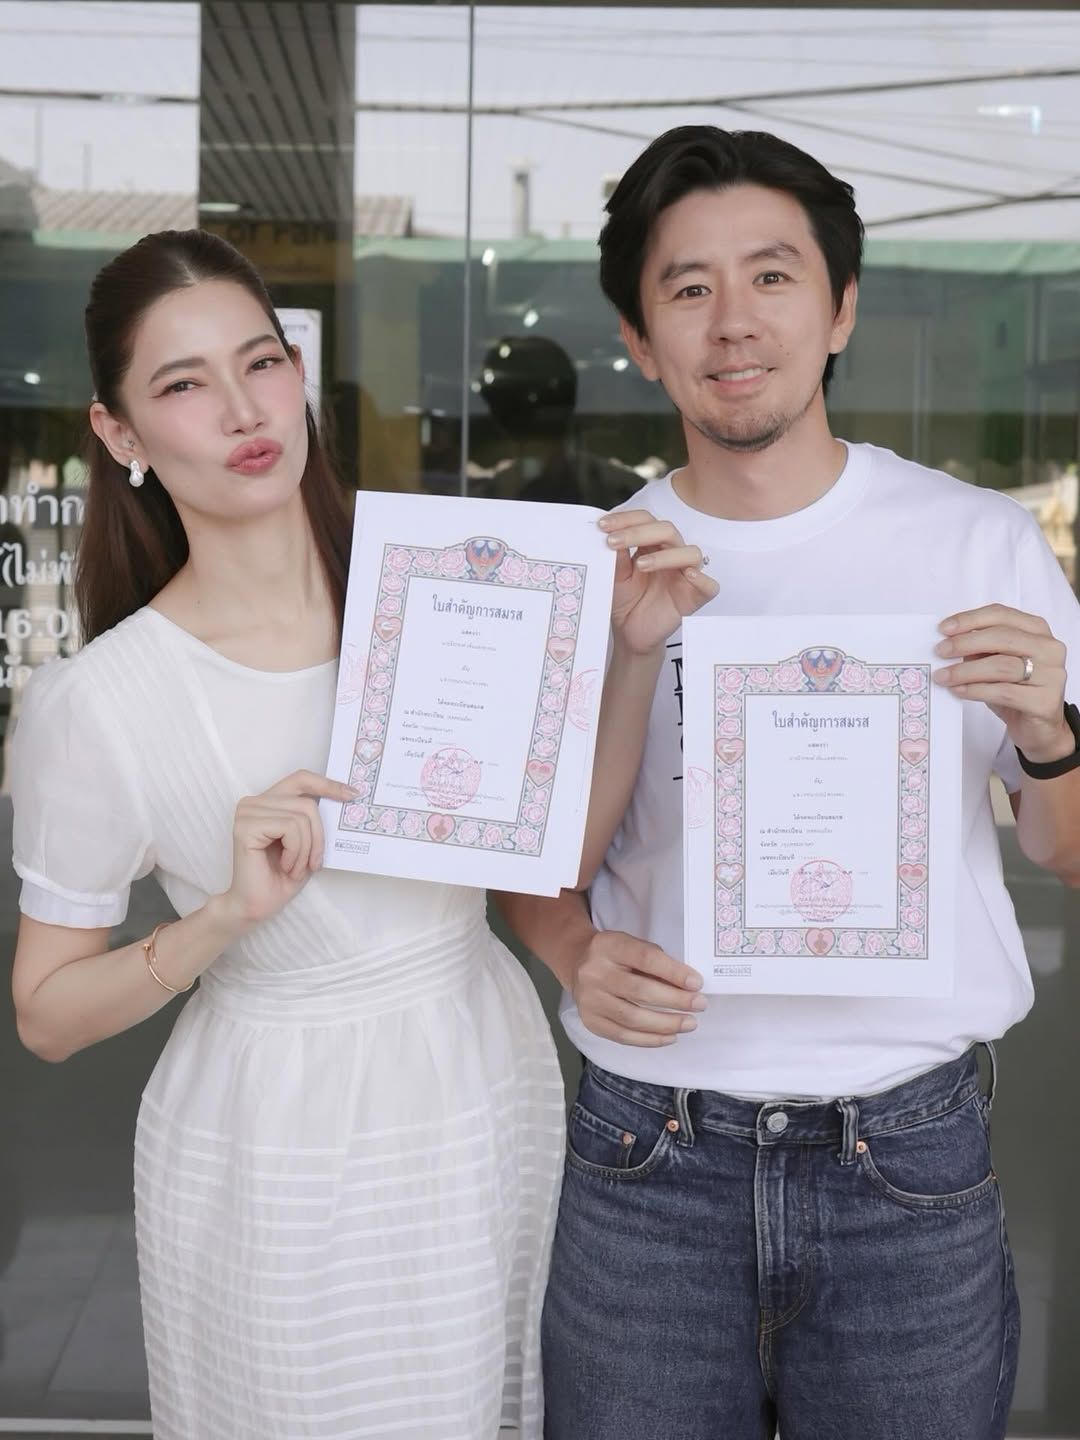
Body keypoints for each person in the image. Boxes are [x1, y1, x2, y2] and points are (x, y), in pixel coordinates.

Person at [495, 126, 1080, 1440]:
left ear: (841, 309)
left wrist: (1050, 731)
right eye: (687, 287)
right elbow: (532, 869)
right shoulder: (596, 565)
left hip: (908, 1160)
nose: (733, 321)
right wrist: (571, 950)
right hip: (650, 1155)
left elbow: (1070, 848)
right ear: (640, 338)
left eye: (772, 275)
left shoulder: (978, 543)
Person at [10, 229, 566, 1440]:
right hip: (277, 1137)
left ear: (298, 372)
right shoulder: (98, 704)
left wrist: (627, 653)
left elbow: (563, 837)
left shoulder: (446, 596)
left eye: (260, 362)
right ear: (119, 433)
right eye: (183, 383)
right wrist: (222, 918)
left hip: (482, 1078)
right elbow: (45, 1015)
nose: (241, 409)